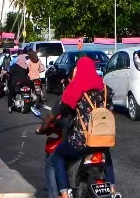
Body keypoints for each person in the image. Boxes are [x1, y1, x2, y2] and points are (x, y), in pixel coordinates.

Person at [36, 56, 113, 198]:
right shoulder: (106, 90)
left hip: (81, 141)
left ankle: (64, 194)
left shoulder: (76, 89)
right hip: (104, 138)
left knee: (57, 158)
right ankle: (112, 189)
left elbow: (61, 110)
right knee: (106, 155)